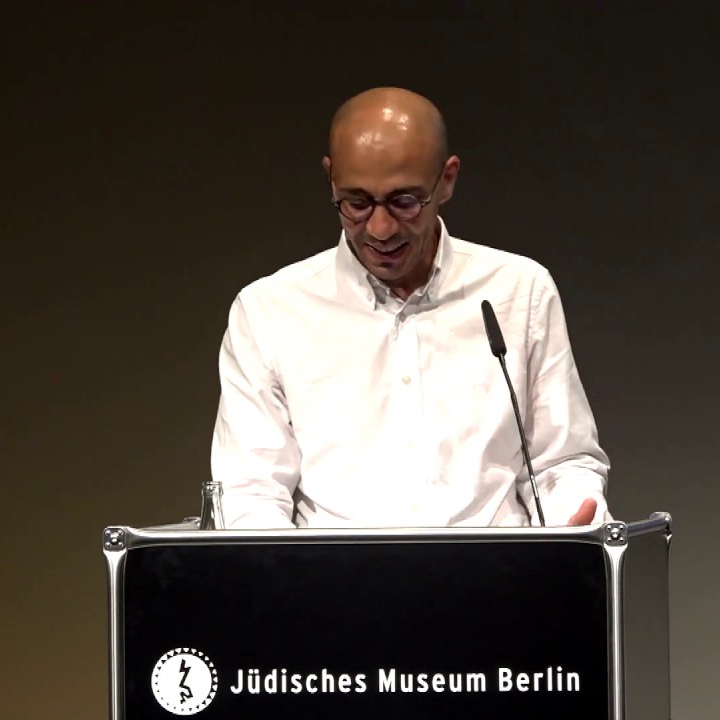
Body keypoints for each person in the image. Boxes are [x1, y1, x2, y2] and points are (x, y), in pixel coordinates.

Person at [209, 87, 610, 529]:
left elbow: (562, 462)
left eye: (404, 202)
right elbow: (251, 493)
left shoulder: (519, 291)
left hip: (498, 586)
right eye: (356, 203)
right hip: (332, 590)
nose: (380, 229)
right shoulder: (269, 311)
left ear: (448, 180)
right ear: (330, 180)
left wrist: (573, 527)